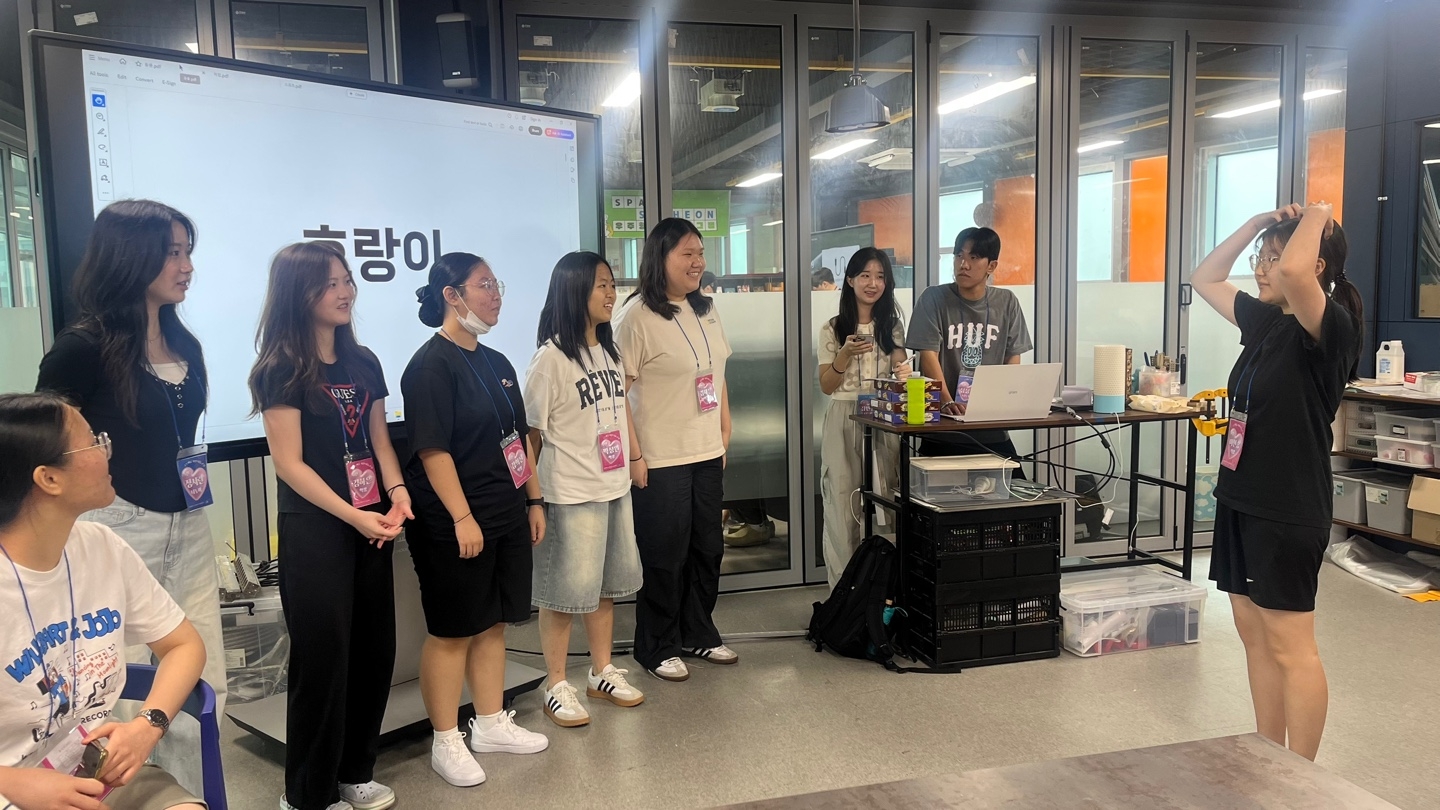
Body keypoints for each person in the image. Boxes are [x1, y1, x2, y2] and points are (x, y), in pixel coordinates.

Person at [34, 199, 224, 794]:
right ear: (129, 256)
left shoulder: (184, 343)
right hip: (116, 527)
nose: (186, 266)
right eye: (172, 253)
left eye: (188, 252)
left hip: (189, 525)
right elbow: (48, 445)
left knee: (198, 677)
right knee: (114, 688)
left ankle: (187, 800)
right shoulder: (82, 348)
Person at [1190, 202, 1362, 761]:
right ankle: (1270, 758)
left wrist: (1318, 212)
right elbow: (1204, 277)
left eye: (1272, 259)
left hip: (1287, 507)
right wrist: (1258, 224)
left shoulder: (1330, 329)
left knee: (1291, 645)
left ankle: (1303, 778)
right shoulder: (1268, 322)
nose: (1264, 270)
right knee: (1254, 635)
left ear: (1314, 267)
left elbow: (1293, 271)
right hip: (1240, 498)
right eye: (1261, 259)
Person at [249, 241, 409, 810]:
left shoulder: (364, 362)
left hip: (372, 523)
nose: (346, 292)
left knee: (374, 650)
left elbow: (379, 442)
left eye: (347, 281)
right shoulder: (280, 368)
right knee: (323, 657)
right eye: (331, 283)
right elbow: (289, 465)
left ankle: (355, 770)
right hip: (317, 529)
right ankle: (309, 794)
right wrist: (353, 515)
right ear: (300, 293)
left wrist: (397, 493)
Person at [0, 392, 206, 810]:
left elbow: (184, 644)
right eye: (93, 442)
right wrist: (13, 784)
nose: (107, 450)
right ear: (48, 479)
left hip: (97, 771)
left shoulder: (101, 546)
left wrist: (147, 726)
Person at [402, 252, 548, 788]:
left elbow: (519, 440)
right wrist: (463, 517)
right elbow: (432, 451)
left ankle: (489, 722)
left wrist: (534, 501)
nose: (496, 295)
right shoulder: (429, 366)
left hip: (505, 512)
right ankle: (446, 740)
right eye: (484, 285)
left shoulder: (497, 362)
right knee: (452, 630)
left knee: (493, 622)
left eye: (496, 284)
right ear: (452, 295)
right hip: (453, 522)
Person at [524, 251, 645, 729]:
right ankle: (555, 683)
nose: (611, 293)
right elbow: (531, 434)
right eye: (601, 285)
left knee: (605, 588)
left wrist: (635, 458)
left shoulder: (610, 350)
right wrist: (532, 498)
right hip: (569, 493)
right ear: (574, 290)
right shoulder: (550, 359)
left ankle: (601, 671)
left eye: (612, 284)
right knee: (563, 594)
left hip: (613, 486)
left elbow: (619, 410)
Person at [614, 217, 736, 682]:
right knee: (665, 555)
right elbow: (618, 394)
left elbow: (717, 374)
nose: (697, 261)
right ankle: (656, 645)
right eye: (686, 253)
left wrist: (724, 430)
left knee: (707, 548)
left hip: (705, 450)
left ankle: (697, 632)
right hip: (660, 457)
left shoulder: (707, 309)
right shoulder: (636, 316)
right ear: (659, 258)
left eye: (700, 252)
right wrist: (634, 455)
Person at [817, 248, 910, 588]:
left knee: (888, 499)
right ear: (850, 280)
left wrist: (904, 373)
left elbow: (901, 373)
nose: (873, 283)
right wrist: (844, 353)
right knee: (843, 503)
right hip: (845, 416)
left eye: (881, 276)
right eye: (866, 276)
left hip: (883, 417)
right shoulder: (832, 328)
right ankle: (843, 594)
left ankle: (884, 591)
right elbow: (827, 385)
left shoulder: (892, 326)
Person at [905, 226, 1033, 459]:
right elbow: (928, 355)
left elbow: (1013, 356)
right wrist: (947, 402)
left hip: (991, 428)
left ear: (991, 266)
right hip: (944, 427)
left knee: (1012, 481)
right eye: (959, 255)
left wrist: (1005, 399)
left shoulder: (1007, 302)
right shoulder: (933, 298)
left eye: (973, 257)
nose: (963, 264)